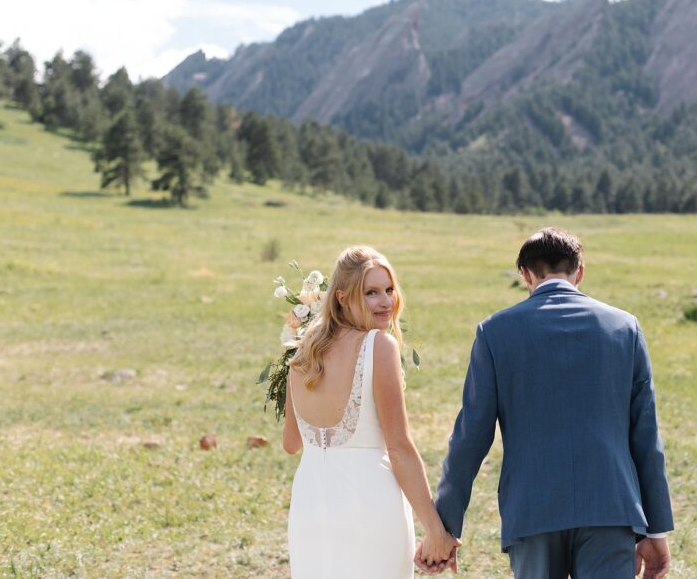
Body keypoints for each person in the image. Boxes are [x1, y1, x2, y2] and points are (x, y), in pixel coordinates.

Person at [421, 228, 674, 578]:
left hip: (532, 511)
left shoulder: (495, 331)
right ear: (580, 271)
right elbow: (646, 434)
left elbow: (470, 437)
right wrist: (656, 528)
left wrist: (445, 528)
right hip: (611, 508)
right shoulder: (624, 327)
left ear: (525, 274)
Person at [283, 246, 458, 578]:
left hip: (310, 506)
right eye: (371, 292)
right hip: (368, 504)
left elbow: (291, 443)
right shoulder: (379, 346)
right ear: (342, 298)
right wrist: (436, 530)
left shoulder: (299, 351)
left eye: (389, 290)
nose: (386, 301)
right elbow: (400, 448)